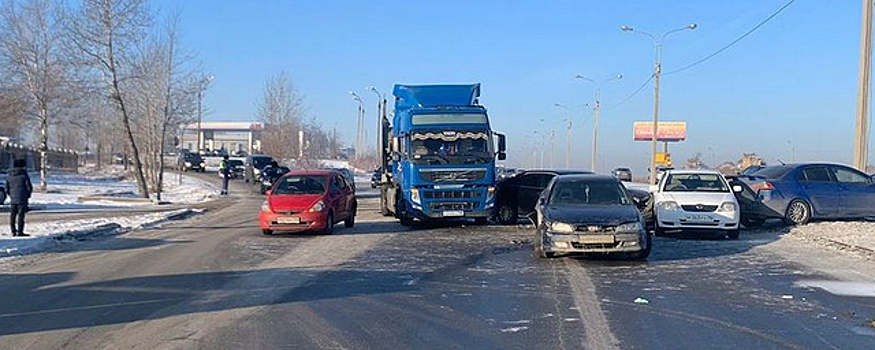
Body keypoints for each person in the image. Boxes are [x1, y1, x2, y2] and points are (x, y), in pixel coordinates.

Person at [6, 159, 32, 237]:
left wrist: (11, 195)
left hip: (13, 198)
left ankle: (13, 231)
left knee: (13, 215)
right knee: (21, 215)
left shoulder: (9, 175)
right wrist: (27, 195)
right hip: (22, 198)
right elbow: (29, 187)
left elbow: (7, 188)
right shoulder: (24, 175)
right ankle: (20, 231)